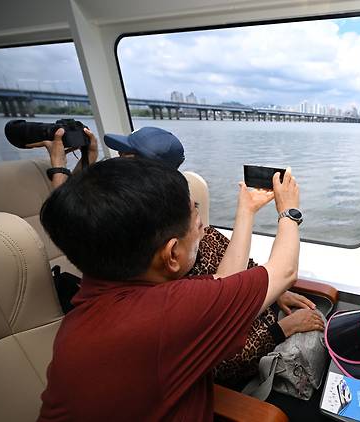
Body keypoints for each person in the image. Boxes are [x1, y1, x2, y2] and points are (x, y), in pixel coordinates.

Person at [33, 125, 324, 385]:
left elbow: (224, 283)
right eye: (196, 221)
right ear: (172, 255)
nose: (203, 228)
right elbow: (282, 270)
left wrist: (73, 166)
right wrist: (289, 211)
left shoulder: (99, 278)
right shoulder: (170, 310)